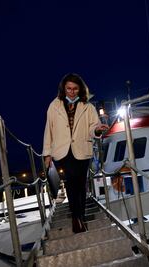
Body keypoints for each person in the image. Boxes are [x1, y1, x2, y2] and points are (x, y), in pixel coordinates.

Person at [42, 73, 108, 233]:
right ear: (63, 89)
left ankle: (81, 216)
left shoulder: (88, 106)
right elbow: (48, 130)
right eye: (68, 88)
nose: (71, 92)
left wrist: (97, 129)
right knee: (71, 181)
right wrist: (47, 153)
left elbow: (93, 127)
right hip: (62, 150)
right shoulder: (54, 105)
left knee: (80, 184)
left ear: (80, 89)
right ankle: (76, 218)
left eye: (75, 89)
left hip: (82, 148)